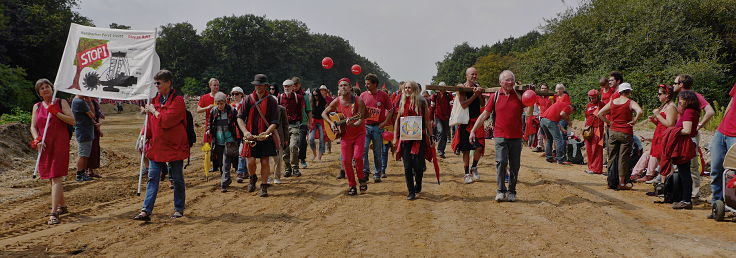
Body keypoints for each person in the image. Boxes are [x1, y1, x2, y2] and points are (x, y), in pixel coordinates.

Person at [133, 70, 189, 221]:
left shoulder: (178, 101)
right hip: (157, 145)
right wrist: (145, 134)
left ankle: (178, 208)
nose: (156, 86)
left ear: (168, 83)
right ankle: (146, 210)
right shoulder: (154, 101)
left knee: (176, 178)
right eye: (155, 83)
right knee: (152, 177)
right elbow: (151, 122)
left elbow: (167, 120)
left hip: (174, 145)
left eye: (159, 83)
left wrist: (154, 111)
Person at [469, 70, 525, 201]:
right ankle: (500, 190)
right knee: (501, 162)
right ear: (501, 82)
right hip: (500, 136)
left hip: (516, 137)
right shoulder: (495, 96)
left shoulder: (518, 95)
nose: (510, 82)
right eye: (507, 80)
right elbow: (484, 115)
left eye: (512, 80)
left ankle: (512, 191)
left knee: (515, 165)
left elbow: (528, 114)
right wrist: (473, 130)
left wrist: (531, 100)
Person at [31, 79, 75, 225]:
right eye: (41, 88)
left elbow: (72, 121)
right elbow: (33, 126)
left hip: (59, 144)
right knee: (51, 177)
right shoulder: (36, 106)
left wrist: (56, 113)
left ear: (52, 88)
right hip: (45, 145)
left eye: (47, 86)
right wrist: (37, 139)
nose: (45, 89)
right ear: (39, 93)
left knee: (56, 177)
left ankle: (54, 212)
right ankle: (62, 206)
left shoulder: (61, 102)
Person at [672, 74, 715, 199]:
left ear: (681, 84)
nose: (673, 85)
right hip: (681, 134)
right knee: (680, 163)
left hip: (689, 135)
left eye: (675, 83)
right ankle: (681, 191)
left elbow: (710, 111)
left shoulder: (694, 96)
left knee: (691, 164)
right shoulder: (681, 97)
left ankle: (693, 193)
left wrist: (699, 125)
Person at [323, 78, 368, 195]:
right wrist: (332, 123)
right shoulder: (337, 101)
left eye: (345, 85)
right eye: (341, 85)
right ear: (338, 88)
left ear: (350, 88)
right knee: (346, 161)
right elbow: (324, 113)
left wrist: (356, 122)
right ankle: (352, 186)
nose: (343, 87)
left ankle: (362, 178)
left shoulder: (359, 101)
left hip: (359, 133)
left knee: (358, 157)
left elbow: (362, 117)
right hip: (345, 135)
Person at [237, 74, 279, 197]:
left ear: (265, 86)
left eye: (260, 85)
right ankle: (252, 177)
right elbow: (239, 118)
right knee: (250, 161)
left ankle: (264, 185)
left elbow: (275, 122)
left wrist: (266, 133)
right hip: (250, 136)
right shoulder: (248, 99)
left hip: (265, 136)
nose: (258, 87)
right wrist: (245, 132)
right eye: (256, 85)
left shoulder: (271, 101)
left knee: (265, 162)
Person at [597, 83, 643, 190]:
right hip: (626, 132)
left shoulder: (613, 102)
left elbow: (600, 113)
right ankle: (621, 183)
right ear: (629, 92)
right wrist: (635, 120)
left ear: (619, 92)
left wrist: (609, 122)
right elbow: (640, 111)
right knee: (623, 158)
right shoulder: (630, 102)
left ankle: (610, 181)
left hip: (613, 131)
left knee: (611, 156)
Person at [393, 81, 433, 200]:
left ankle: (418, 183)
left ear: (414, 89)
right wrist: (395, 137)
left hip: (419, 138)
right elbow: (397, 121)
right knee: (407, 167)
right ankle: (411, 192)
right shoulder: (402, 101)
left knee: (419, 166)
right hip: (405, 139)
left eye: (409, 88)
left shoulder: (422, 102)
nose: (407, 90)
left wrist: (431, 136)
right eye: (405, 88)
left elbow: (427, 121)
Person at [631, 84, 676, 182]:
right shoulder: (665, 106)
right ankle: (665, 181)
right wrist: (655, 121)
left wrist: (657, 115)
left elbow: (670, 124)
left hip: (665, 136)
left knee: (665, 161)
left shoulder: (671, 107)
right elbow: (663, 124)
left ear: (667, 95)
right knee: (660, 160)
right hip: (659, 135)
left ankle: (668, 182)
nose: (658, 96)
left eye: (660, 94)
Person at [667, 90, 702, 209]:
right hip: (686, 143)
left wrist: (672, 131)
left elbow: (687, 130)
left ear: (687, 100)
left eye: (681, 99)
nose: (679, 101)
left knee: (685, 173)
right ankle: (684, 199)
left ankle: (686, 200)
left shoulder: (689, 112)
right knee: (684, 172)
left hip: (686, 144)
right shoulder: (690, 111)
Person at [452, 67, 485, 184]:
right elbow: (463, 105)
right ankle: (466, 173)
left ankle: (474, 167)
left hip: (477, 121)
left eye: (476, 74)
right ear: (467, 76)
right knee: (465, 150)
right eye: (472, 74)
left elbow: (482, 104)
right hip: (465, 122)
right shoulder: (462, 88)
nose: (475, 76)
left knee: (479, 146)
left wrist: (479, 93)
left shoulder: (478, 86)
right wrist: (474, 95)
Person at [360, 73, 393, 182]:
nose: (366, 85)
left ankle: (377, 174)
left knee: (377, 153)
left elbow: (391, 110)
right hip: (365, 127)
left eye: (368, 84)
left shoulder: (383, 95)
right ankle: (365, 171)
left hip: (378, 128)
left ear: (375, 84)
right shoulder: (363, 95)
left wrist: (384, 122)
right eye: (366, 84)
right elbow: (357, 110)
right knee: (363, 150)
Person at [710, 81, 736, 213]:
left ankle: (733, 203)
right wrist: (722, 123)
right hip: (722, 131)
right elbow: (731, 104)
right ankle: (717, 204)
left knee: (733, 172)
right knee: (716, 169)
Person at [210, 92, 241, 192]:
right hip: (218, 141)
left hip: (229, 140)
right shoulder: (213, 111)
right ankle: (226, 179)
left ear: (225, 102)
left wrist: (241, 137)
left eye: (221, 103)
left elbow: (238, 123)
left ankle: (224, 182)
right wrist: (208, 131)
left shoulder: (231, 111)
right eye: (217, 103)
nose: (220, 106)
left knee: (226, 162)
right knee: (220, 163)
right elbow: (210, 123)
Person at [278, 79, 305, 177]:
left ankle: (295, 168)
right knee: (285, 148)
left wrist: (301, 122)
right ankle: (287, 168)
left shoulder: (298, 97)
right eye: (285, 86)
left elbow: (300, 111)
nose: (287, 88)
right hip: (283, 126)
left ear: (293, 87)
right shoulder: (280, 97)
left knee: (293, 146)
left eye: (289, 86)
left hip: (294, 124)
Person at [197, 78, 222, 173]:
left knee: (219, 145)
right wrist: (207, 107)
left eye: (217, 85)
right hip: (209, 125)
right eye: (214, 85)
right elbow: (198, 109)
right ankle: (212, 165)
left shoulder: (222, 96)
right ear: (210, 86)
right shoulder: (205, 97)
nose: (216, 87)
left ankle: (220, 165)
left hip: (221, 125)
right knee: (208, 145)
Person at [71, 94, 97, 182]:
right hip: (84, 131)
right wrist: (89, 101)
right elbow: (93, 115)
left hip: (84, 131)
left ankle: (83, 173)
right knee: (83, 155)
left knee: (85, 155)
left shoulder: (78, 101)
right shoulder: (80, 102)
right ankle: (79, 174)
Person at [540, 100, 573, 164]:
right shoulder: (568, 106)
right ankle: (560, 159)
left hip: (543, 120)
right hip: (550, 122)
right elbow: (562, 114)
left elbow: (556, 121)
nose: (569, 114)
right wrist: (569, 121)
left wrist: (562, 129)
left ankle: (549, 157)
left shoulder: (560, 105)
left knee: (549, 139)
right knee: (559, 140)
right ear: (572, 109)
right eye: (570, 113)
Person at [230, 87, 249, 183]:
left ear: (242, 94)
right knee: (238, 153)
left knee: (242, 152)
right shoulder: (231, 106)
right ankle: (244, 171)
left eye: (237, 94)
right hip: (234, 132)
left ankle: (240, 172)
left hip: (244, 131)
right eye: (233, 94)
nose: (234, 96)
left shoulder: (245, 105)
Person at [292, 77, 311, 169]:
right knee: (293, 144)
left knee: (302, 141)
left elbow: (308, 110)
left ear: (299, 85)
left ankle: (302, 159)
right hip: (291, 122)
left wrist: (310, 122)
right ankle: (293, 161)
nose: (294, 87)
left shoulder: (305, 96)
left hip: (303, 121)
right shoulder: (288, 96)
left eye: (296, 85)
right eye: (293, 85)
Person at [584, 89, 604, 174]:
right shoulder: (588, 105)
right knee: (589, 148)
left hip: (598, 128)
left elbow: (607, 113)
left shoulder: (601, 104)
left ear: (597, 97)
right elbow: (586, 116)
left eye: (594, 97)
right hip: (588, 128)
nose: (593, 99)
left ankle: (597, 169)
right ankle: (590, 167)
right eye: (591, 98)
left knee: (596, 148)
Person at [431, 82, 453, 158]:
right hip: (438, 117)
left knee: (444, 134)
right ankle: (440, 150)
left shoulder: (449, 96)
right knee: (440, 131)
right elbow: (432, 107)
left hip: (447, 117)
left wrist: (452, 117)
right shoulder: (435, 96)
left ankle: (442, 151)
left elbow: (451, 107)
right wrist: (431, 118)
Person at [86, 97, 104, 179]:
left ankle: (91, 170)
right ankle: (84, 171)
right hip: (86, 129)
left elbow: (99, 116)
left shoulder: (95, 102)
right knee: (87, 150)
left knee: (94, 150)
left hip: (94, 130)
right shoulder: (83, 102)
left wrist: (99, 126)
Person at [309, 87, 328, 161]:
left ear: (319, 94)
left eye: (317, 95)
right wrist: (308, 122)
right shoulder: (311, 101)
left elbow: (327, 110)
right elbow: (309, 112)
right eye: (314, 95)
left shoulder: (323, 101)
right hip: (313, 121)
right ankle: (314, 153)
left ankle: (319, 156)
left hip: (321, 121)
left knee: (322, 139)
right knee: (310, 139)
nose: (315, 97)